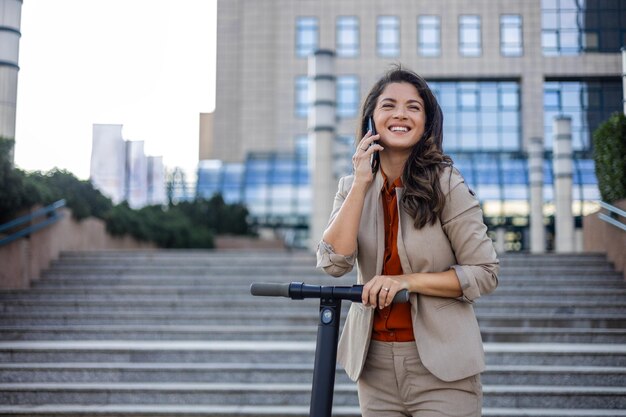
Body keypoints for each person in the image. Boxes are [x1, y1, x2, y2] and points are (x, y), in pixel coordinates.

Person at [316, 65, 499, 417]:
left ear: (426, 122)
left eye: (413, 107)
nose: (400, 114)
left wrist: (406, 282)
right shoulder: (351, 186)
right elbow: (332, 262)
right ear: (372, 118)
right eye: (389, 105)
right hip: (374, 367)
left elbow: (485, 272)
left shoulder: (447, 184)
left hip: (443, 366)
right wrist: (360, 183)